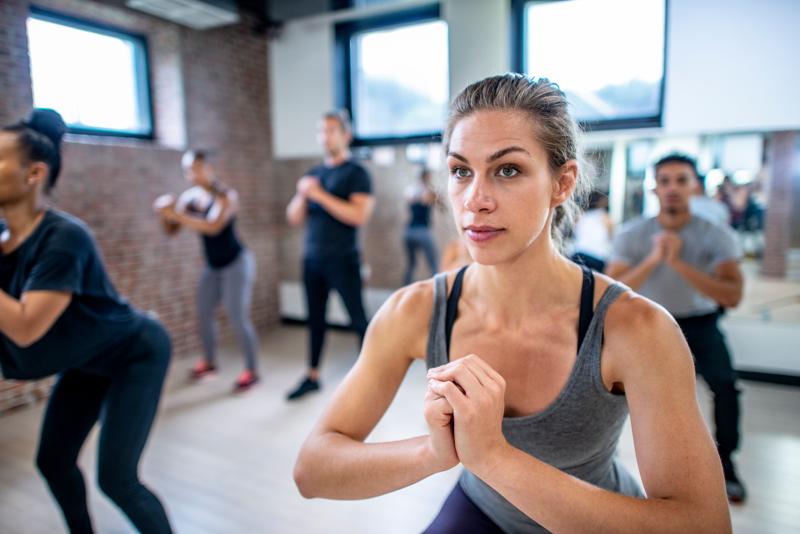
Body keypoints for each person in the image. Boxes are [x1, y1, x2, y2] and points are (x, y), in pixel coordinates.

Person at [293, 74, 731, 533]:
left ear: (562, 183)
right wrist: (432, 453)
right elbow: (312, 469)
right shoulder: (416, 310)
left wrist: (493, 456)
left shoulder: (636, 329)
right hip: (484, 508)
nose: (475, 201)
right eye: (461, 170)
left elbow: (703, 525)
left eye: (508, 170)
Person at [0, 109, 173, 533]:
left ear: (33, 173)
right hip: (88, 358)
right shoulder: (3, 239)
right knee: (54, 461)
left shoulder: (64, 237)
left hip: (136, 352)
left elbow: (24, 327)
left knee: (118, 480)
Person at [606, 152, 747, 503]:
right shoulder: (633, 235)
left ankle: (726, 465)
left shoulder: (716, 235)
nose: (672, 188)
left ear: (694, 186)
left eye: (680, 180)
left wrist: (678, 263)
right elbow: (611, 288)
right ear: (654, 187)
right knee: (612, 392)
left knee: (726, 388)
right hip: (649, 324)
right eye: (665, 181)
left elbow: (732, 295)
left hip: (700, 323)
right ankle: (609, 465)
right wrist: (654, 259)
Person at [285, 110, 375, 400]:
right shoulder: (313, 175)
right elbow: (293, 218)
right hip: (313, 259)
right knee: (315, 320)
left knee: (358, 319)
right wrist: (302, 194)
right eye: (322, 131)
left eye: (331, 130)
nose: (325, 136)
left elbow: (359, 215)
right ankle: (312, 375)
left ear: (345, 135)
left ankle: (370, 377)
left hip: (343, 259)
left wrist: (318, 195)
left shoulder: (356, 173)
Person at [154, 150, 260, 391]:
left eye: (198, 168)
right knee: (203, 314)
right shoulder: (190, 198)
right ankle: (210, 364)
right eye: (189, 169)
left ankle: (252, 371)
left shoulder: (226, 196)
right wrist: (163, 212)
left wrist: (176, 214)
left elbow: (213, 226)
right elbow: (171, 229)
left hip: (237, 262)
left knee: (238, 317)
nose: (193, 174)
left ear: (210, 169)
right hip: (213, 267)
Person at [403, 168, 441, 285]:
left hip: (408, 231)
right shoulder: (427, 191)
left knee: (411, 264)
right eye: (429, 176)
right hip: (421, 231)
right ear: (426, 177)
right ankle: (437, 289)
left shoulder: (411, 190)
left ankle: (405, 290)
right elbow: (434, 200)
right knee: (434, 262)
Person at [570, 190, 613, 272]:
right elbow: (612, 238)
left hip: (579, 254)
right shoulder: (606, 218)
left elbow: (574, 235)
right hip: (598, 258)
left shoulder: (579, 216)